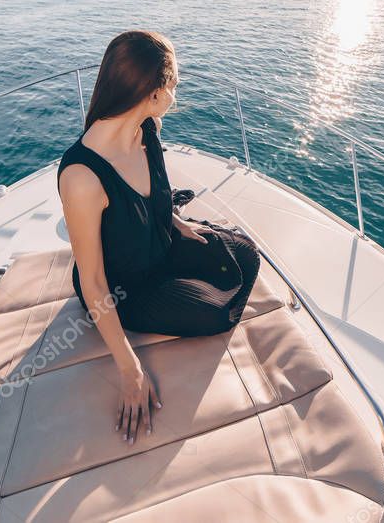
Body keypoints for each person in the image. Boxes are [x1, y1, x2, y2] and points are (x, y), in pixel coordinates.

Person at [56, 30, 261, 446]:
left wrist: (175, 221)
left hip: (158, 241)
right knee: (214, 315)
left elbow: (157, 190)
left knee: (247, 254)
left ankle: (185, 260)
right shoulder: (82, 177)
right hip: (122, 287)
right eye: (173, 87)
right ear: (150, 93)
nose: (175, 96)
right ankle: (181, 291)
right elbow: (94, 282)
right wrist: (130, 369)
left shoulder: (148, 130)